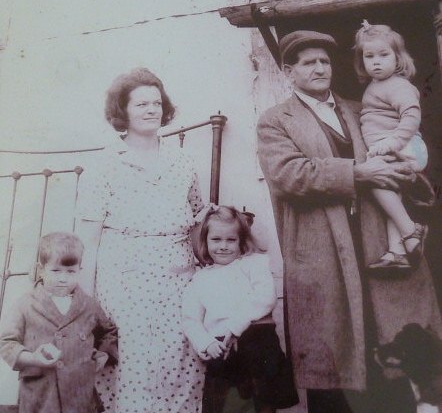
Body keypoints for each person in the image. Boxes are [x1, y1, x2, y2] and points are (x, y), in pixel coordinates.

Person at [256, 30, 442, 413]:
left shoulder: (363, 108)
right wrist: (358, 173)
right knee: (334, 359)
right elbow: (289, 175)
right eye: (309, 62)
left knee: (391, 354)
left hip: (375, 245)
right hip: (324, 253)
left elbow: (405, 152)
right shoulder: (276, 122)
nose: (320, 68)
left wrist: (406, 171)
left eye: (325, 61)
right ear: (289, 72)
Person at [76, 67, 205, 413]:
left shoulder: (183, 160)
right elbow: (88, 237)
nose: (151, 110)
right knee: (137, 366)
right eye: (140, 104)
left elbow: (196, 218)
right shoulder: (103, 164)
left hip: (179, 276)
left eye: (156, 102)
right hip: (125, 278)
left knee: (183, 366)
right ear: (123, 111)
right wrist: (88, 303)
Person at [182, 205, 298, 413]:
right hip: (222, 350)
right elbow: (190, 319)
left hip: (258, 345)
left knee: (263, 405)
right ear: (205, 241)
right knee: (228, 407)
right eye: (216, 240)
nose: (223, 246)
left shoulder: (254, 264)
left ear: (241, 240)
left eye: (231, 240)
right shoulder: (200, 279)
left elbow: (264, 298)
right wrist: (206, 343)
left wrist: (235, 327)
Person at [0, 232, 118, 413]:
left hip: (80, 395)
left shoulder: (88, 305)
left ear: (80, 271)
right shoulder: (26, 304)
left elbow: (109, 332)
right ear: (41, 269)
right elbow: (6, 342)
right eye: (55, 271)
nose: (63, 278)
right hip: (40, 394)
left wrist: (103, 355)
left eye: (71, 272)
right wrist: (32, 358)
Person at [354, 20, 428, 270]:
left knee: (375, 181)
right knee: (391, 195)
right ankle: (398, 252)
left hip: (406, 145)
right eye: (369, 56)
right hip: (396, 146)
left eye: (384, 55)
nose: (376, 61)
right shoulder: (376, 86)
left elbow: (411, 116)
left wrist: (393, 142)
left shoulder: (398, 85)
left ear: (398, 58)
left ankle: (411, 231)